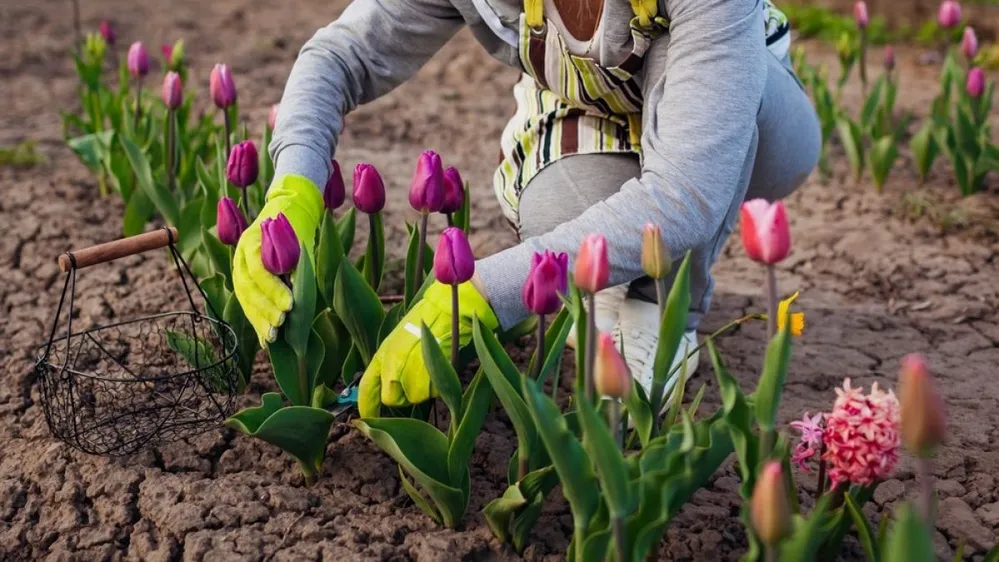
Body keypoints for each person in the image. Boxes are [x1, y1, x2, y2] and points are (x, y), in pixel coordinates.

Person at [231, 0, 821, 418]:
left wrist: (487, 291)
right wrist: (294, 186)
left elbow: (689, 191)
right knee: (552, 223)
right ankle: (611, 282)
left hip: (743, 112)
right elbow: (340, 56)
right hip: (590, 108)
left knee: (708, 164)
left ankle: (664, 310)